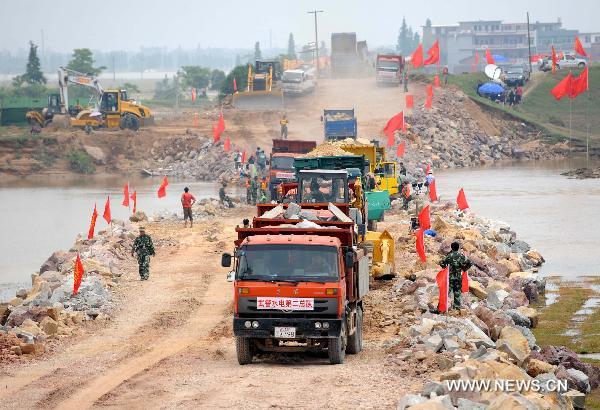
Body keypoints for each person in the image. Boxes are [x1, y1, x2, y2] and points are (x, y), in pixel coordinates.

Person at [439, 242, 473, 311]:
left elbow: (441, 262)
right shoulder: (461, 256)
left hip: (450, 277)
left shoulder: (449, 256)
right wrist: (464, 269)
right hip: (458, 277)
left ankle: (443, 307)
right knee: (457, 293)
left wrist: (445, 268)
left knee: (447, 292)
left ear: (451, 248)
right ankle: (456, 308)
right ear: (458, 248)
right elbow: (469, 263)